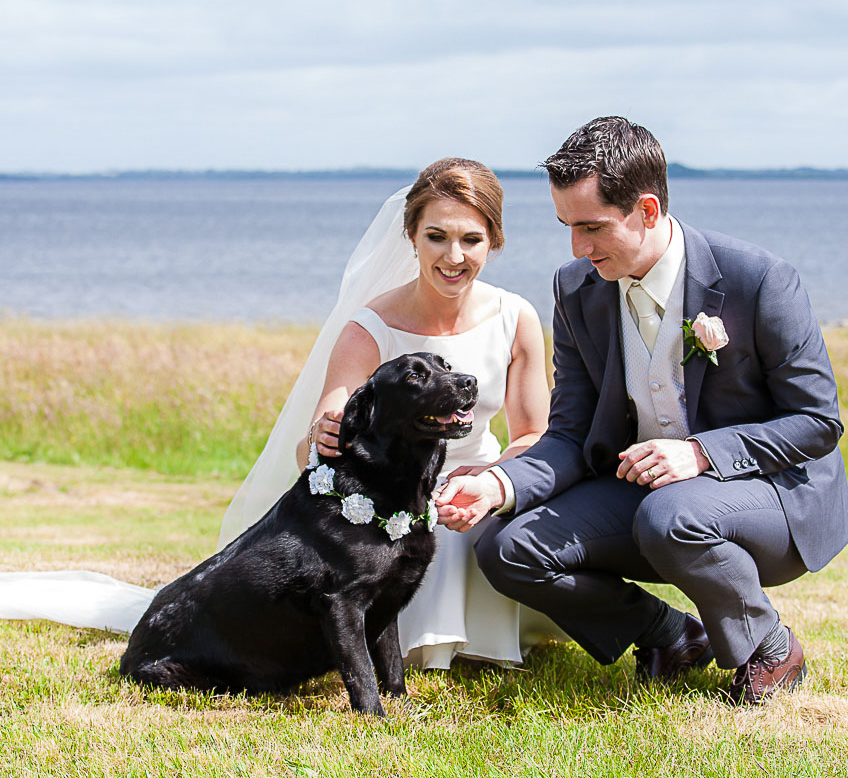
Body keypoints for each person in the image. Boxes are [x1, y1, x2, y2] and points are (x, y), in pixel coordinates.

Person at [2, 158, 565, 670]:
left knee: (496, 530)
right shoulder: (370, 327)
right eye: (436, 236)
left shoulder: (515, 317)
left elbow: (533, 433)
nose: (453, 255)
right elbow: (316, 446)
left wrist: (492, 482)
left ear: (494, 239)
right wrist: (322, 434)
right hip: (392, 504)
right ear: (411, 237)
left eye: (471, 238)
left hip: (479, 491)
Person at [434, 117, 848, 704]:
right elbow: (571, 433)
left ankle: (770, 648)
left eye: (592, 228)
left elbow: (818, 423)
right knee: (505, 547)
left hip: (771, 495)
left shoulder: (759, 281)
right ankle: (670, 635)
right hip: (648, 497)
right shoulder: (576, 288)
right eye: (566, 228)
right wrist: (499, 485)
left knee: (671, 514)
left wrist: (701, 453)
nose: (578, 249)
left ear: (648, 210)